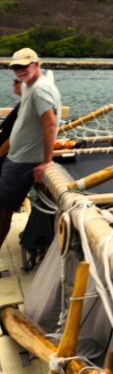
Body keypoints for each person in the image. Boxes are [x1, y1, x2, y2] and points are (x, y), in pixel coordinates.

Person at [0, 48, 61, 251]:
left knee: (3, 211)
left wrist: (46, 161)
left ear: (37, 64)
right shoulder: (30, 85)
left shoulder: (40, 90)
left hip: (23, 162)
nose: (20, 70)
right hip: (16, 157)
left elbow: (50, 124)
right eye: (16, 66)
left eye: (25, 65)